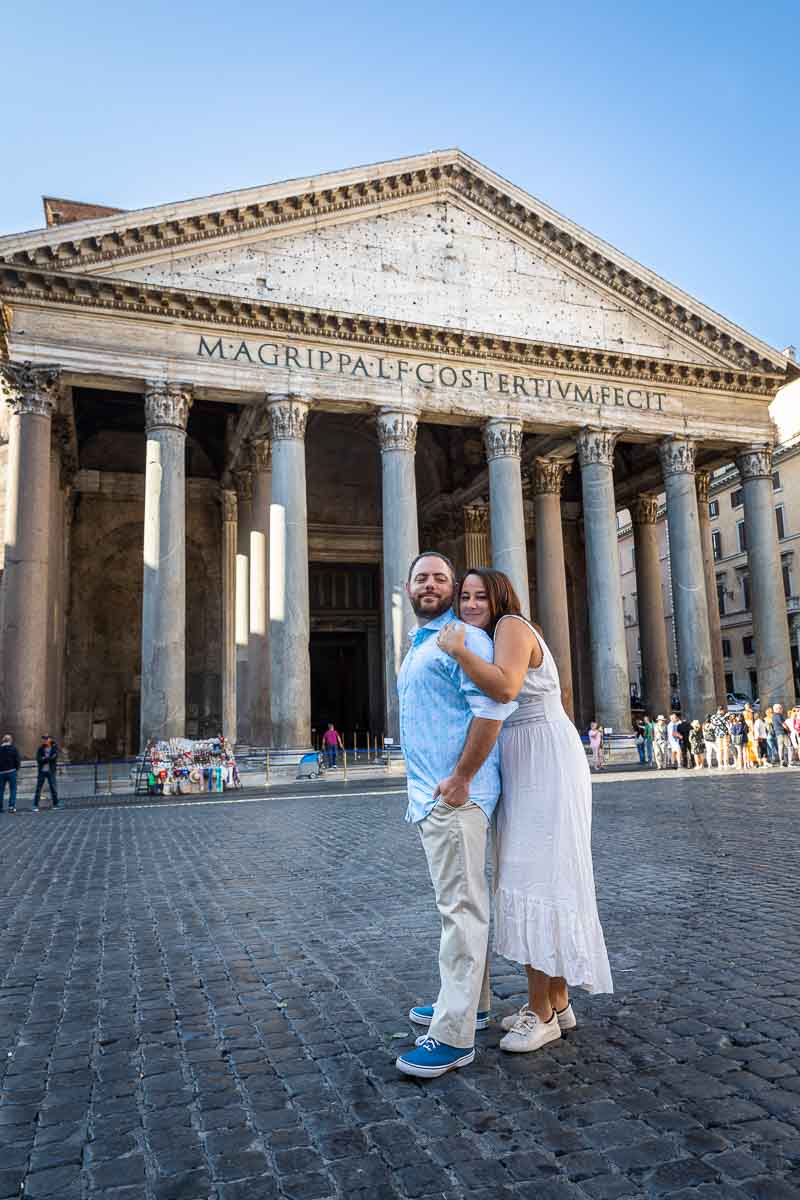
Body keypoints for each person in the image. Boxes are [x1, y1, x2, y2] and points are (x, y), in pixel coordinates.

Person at [436, 567, 612, 1054]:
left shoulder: (511, 626)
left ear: (500, 598)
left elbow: (506, 687)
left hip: (542, 759)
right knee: (544, 877)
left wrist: (459, 651)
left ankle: (540, 1014)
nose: (470, 603)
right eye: (464, 596)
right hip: (533, 753)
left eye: (479, 595)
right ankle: (556, 1001)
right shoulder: (502, 632)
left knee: (533, 878)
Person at [395, 552, 517, 1079]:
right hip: (437, 796)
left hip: (454, 798)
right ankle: (474, 1002)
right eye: (421, 577)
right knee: (464, 905)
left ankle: (451, 1035)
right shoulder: (429, 640)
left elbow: (493, 710)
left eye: (440, 578)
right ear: (407, 587)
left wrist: (461, 779)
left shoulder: (464, 638)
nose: (430, 585)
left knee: (460, 912)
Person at [33, 735, 59, 810]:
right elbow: (38, 759)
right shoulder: (40, 748)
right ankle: (35, 805)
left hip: (51, 771)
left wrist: (45, 758)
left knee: (53, 788)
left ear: (50, 739)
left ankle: (56, 804)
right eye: (44, 739)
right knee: (38, 788)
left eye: (46, 739)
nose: (44, 740)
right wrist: (47, 759)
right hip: (42, 771)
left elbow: (54, 757)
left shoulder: (54, 748)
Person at [0, 734, 21, 813]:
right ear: (10, 740)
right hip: (11, 771)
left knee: (1, 790)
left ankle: (0, 808)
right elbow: (17, 760)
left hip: (1, 772)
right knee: (13, 789)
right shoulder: (14, 749)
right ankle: (11, 806)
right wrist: (17, 769)